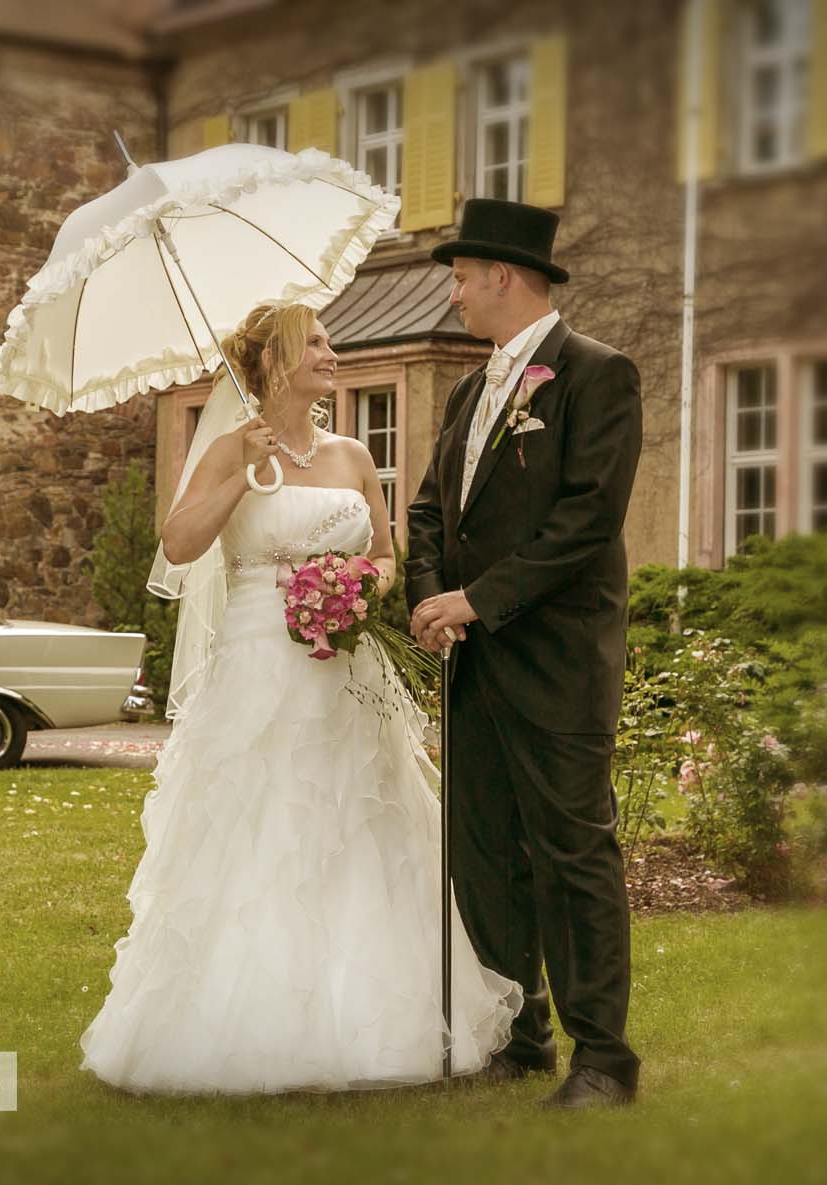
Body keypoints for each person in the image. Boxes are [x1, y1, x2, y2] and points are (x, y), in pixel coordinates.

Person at [79, 302, 521, 1094]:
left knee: (359, 820)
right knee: (264, 825)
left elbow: (384, 554)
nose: (331, 351)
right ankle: (251, 1023)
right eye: (314, 342)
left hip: (344, 671)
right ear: (276, 363)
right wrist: (239, 474)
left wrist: (354, 588)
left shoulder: (353, 454)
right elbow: (179, 544)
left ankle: (374, 1024)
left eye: (328, 340)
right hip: (257, 669)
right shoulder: (231, 448)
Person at [406, 198, 644, 1109]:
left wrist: (478, 598)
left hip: (557, 661)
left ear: (502, 276)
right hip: (474, 661)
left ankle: (605, 1059)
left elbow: (588, 519)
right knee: (486, 855)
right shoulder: (469, 391)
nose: (455, 295)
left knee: (572, 855)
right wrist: (431, 598)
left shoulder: (597, 374)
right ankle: (520, 1033)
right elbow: (431, 508)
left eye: (463, 279)